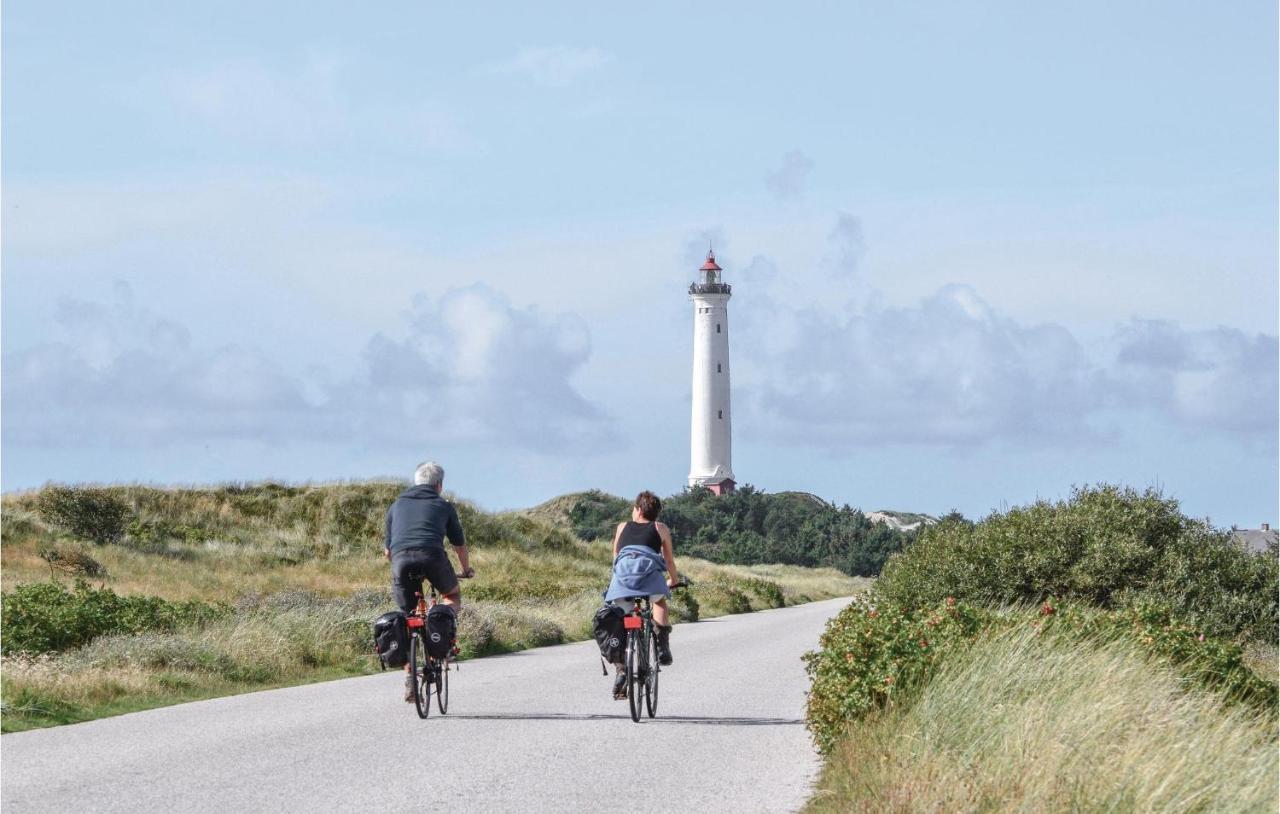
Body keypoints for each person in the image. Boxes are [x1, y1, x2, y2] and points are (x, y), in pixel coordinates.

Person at [384, 460, 474, 701]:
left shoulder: (396, 505)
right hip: (432, 557)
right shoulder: (443, 506)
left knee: (407, 617)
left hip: (401, 561)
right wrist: (466, 570)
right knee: (452, 596)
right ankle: (439, 629)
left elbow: (388, 552)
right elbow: (459, 546)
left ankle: (409, 679)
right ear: (439, 485)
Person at [603, 490, 681, 699]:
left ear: (638, 510)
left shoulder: (622, 527)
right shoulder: (660, 528)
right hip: (649, 580)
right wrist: (674, 580)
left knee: (621, 618)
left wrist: (617, 584)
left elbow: (616, 558)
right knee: (660, 602)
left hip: (623, 582)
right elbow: (669, 561)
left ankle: (621, 668)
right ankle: (662, 645)